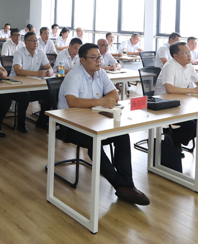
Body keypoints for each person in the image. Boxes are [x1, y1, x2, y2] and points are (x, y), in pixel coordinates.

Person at [58, 43, 150, 206]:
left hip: (94, 120)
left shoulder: (100, 73)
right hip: (71, 125)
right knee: (94, 141)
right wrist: (101, 101)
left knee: (122, 135)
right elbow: (72, 102)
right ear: (82, 60)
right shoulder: (74, 75)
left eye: (99, 57)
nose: (98, 61)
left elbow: (114, 94)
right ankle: (120, 185)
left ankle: (127, 183)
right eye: (94, 58)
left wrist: (102, 101)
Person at [11, 32, 53, 131]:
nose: (35, 43)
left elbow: (49, 67)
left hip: (32, 85)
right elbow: (18, 71)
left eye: (36, 40)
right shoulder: (19, 53)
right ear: (25, 42)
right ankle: (21, 124)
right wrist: (37, 73)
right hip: (16, 86)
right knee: (25, 96)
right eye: (32, 41)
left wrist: (50, 72)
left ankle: (42, 121)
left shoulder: (40, 52)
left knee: (48, 94)